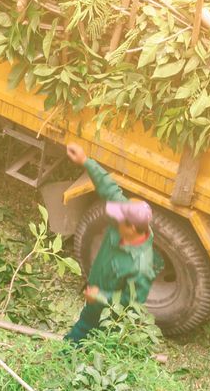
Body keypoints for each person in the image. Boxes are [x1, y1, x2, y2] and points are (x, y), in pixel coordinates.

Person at [62, 141, 159, 343]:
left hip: (107, 316)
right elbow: (109, 189)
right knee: (79, 335)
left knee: (92, 343)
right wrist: (85, 161)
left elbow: (130, 306)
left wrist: (100, 297)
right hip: (92, 304)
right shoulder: (127, 218)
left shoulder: (140, 267)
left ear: (132, 228)